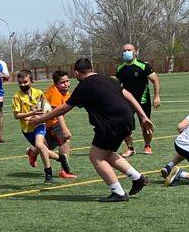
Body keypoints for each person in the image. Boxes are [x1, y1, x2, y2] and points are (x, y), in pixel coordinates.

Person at [30, 58, 152, 202]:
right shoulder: (109, 79)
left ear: (76, 72)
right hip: (126, 118)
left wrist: (38, 120)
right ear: (91, 68)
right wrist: (143, 117)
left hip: (111, 122)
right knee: (107, 153)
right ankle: (138, 178)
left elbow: (63, 109)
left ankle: (118, 192)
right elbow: (129, 96)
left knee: (96, 157)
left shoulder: (84, 86)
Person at [115, 43, 160, 156]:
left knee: (146, 125)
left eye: (129, 50)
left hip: (143, 101)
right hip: (126, 102)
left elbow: (155, 81)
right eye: (124, 50)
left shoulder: (144, 66)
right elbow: (116, 85)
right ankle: (130, 148)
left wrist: (157, 96)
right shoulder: (120, 68)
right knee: (125, 124)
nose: (126, 52)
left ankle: (147, 145)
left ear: (135, 51)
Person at [12, 71, 55, 184]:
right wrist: (31, 114)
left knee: (40, 145)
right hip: (27, 129)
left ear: (31, 81)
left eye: (25, 82)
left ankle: (48, 173)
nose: (22, 85)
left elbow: (46, 107)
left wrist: (41, 116)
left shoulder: (39, 93)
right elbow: (16, 115)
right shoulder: (17, 97)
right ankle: (61, 158)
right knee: (44, 150)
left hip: (40, 124)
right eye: (20, 83)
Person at [43, 70, 77, 178]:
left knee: (45, 147)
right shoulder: (55, 92)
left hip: (47, 122)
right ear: (56, 84)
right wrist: (64, 129)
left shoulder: (65, 92)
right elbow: (58, 113)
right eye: (63, 82)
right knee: (65, 140)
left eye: (67, 81)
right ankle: (64, 170)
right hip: (49, 122)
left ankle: (33, 151)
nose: (66, 84)